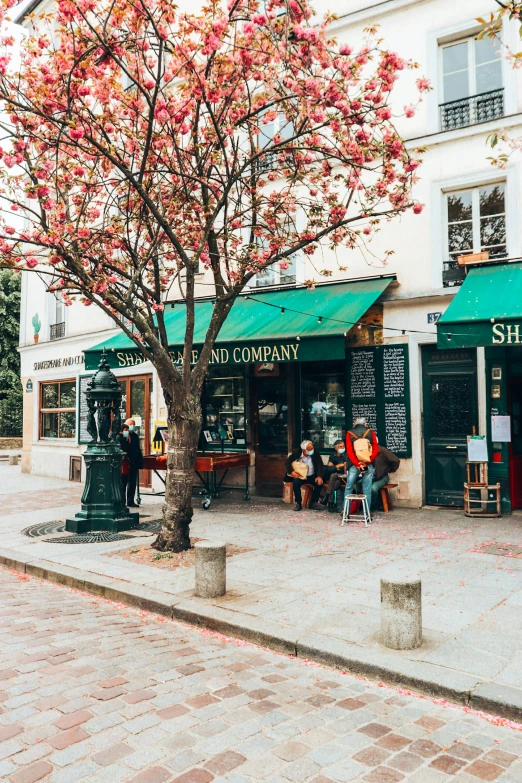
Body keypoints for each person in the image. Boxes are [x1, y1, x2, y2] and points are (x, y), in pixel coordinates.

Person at [344, 417, 378, 517]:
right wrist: (367, 462)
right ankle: (366, 512)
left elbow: (349, 451)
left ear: (354, 424)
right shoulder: (370, 432)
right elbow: (375, 449)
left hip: (354, 465)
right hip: (367, 464)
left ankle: (346, 511)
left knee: (349, 487)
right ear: (365, 424)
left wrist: (357, 464)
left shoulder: (349, 433)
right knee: (367, 488)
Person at [284, 440, 324, 512]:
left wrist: (319, 476)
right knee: (296, 483)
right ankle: (298, 503)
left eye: (312, 448)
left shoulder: (315, 453)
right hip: (301, 476)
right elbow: (287, 462)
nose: (312, 450)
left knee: (320, 483)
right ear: (304, 450)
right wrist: (292, 472)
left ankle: (313, 503)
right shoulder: (297, 452)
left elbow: (319, 465)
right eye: (310, 449)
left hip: (311, 476)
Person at [118, 418, 143, 507]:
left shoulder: (135, 436)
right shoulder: (122, 436)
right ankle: (122, 501)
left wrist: (140, 461)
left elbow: (138, 449)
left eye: (134, 424)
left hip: (134, 462)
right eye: (130, 424)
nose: (132, 426)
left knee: (132, 482)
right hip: (126, 462)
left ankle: (130, 501)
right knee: (124, 482)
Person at [319, 439, 347, 513]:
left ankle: (327, 497)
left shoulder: (346, 455)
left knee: (333, 475)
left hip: (343, 477)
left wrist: (334, 467)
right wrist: (338, 466)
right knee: (336, 481)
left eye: (343, 446)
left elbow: (344, 468)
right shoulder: (332, 455)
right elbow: (328, 469)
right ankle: (330, 501)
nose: (343, 448)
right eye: (341, 446)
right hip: (335, 479)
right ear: (336, 448)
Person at [371, 445, 400, 510]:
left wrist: (390, 469)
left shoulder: (382, 450)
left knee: (373, 488)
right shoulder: (366, 451)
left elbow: (396, 460)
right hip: (370, 477)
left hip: (382, 477)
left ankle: (373, 506)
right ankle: (361, 505)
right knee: (358, 484)